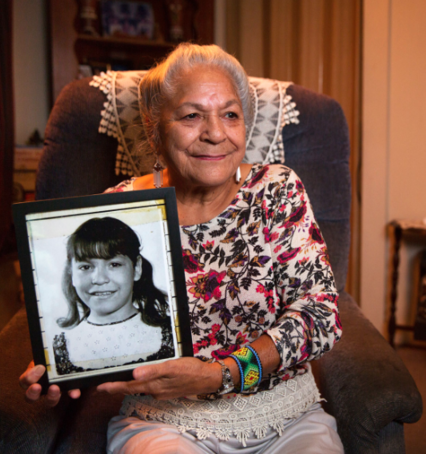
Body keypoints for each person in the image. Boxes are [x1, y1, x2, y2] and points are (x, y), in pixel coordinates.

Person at [21, 43, 344, 453]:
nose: (215, 133)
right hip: (164, 422)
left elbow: (320, 317)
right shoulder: (118, 211)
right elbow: (90, 312)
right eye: (192, 116)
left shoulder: (276, 190)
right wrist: (59, 362)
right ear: (155, 129)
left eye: (230, 115)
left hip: (286, 417)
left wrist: (220, 375)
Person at [52, 216, 175, 375]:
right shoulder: (61, 349)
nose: (99, 279)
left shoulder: (172, 333)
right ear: (72, 273)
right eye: (86, 267)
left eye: (114, 264)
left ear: (137, 268)